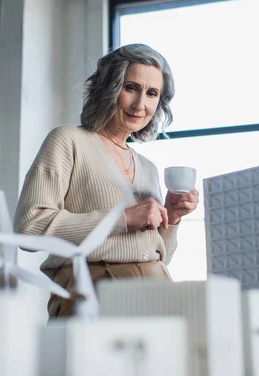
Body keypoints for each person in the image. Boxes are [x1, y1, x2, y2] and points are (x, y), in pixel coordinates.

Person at [14, 44, 199, 317]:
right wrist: (123, 218)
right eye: (131, 87)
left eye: (152, 93)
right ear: (109, 88)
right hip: (92, 295)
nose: (140, 105)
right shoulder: (68, 141)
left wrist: (171, 219)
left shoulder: (147, 167)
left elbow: (160, 256)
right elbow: (28, 228)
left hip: (158, 293)